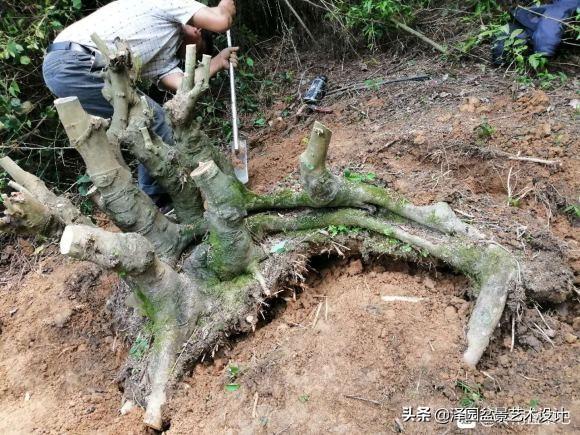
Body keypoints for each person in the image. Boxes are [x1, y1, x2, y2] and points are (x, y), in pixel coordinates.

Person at [42, 0, 239, 202]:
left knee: (146, 124)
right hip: (76, 61)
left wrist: (218, 61)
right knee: (152, 119)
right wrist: (225, 7)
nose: (192, 56)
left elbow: (183, 84)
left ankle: (154, 200)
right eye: (198, 50)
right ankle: (158, 199)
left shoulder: (165, 56)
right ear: (198, 31)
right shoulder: (170, 4)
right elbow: (221, 21)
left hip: (70, 67)